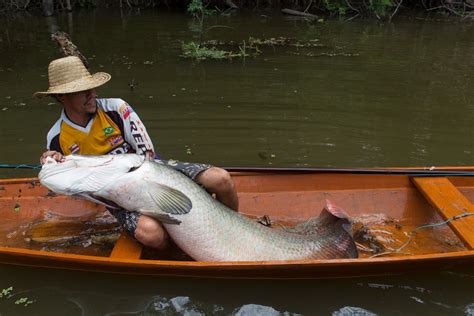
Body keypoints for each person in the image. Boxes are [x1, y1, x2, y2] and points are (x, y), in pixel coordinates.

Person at [34, 56, 239, 250]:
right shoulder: (56, 136)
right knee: (152, 234)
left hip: (151, 171)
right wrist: (53, 160)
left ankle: (233, 232)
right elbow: (70, 184)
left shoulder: (116, 109)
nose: (93, 94)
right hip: (115, 196)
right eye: (83, 91)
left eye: (92, 88)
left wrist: (151, 195)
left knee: (221, 179)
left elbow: (146, 154)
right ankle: (177, 251)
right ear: (62, 96)